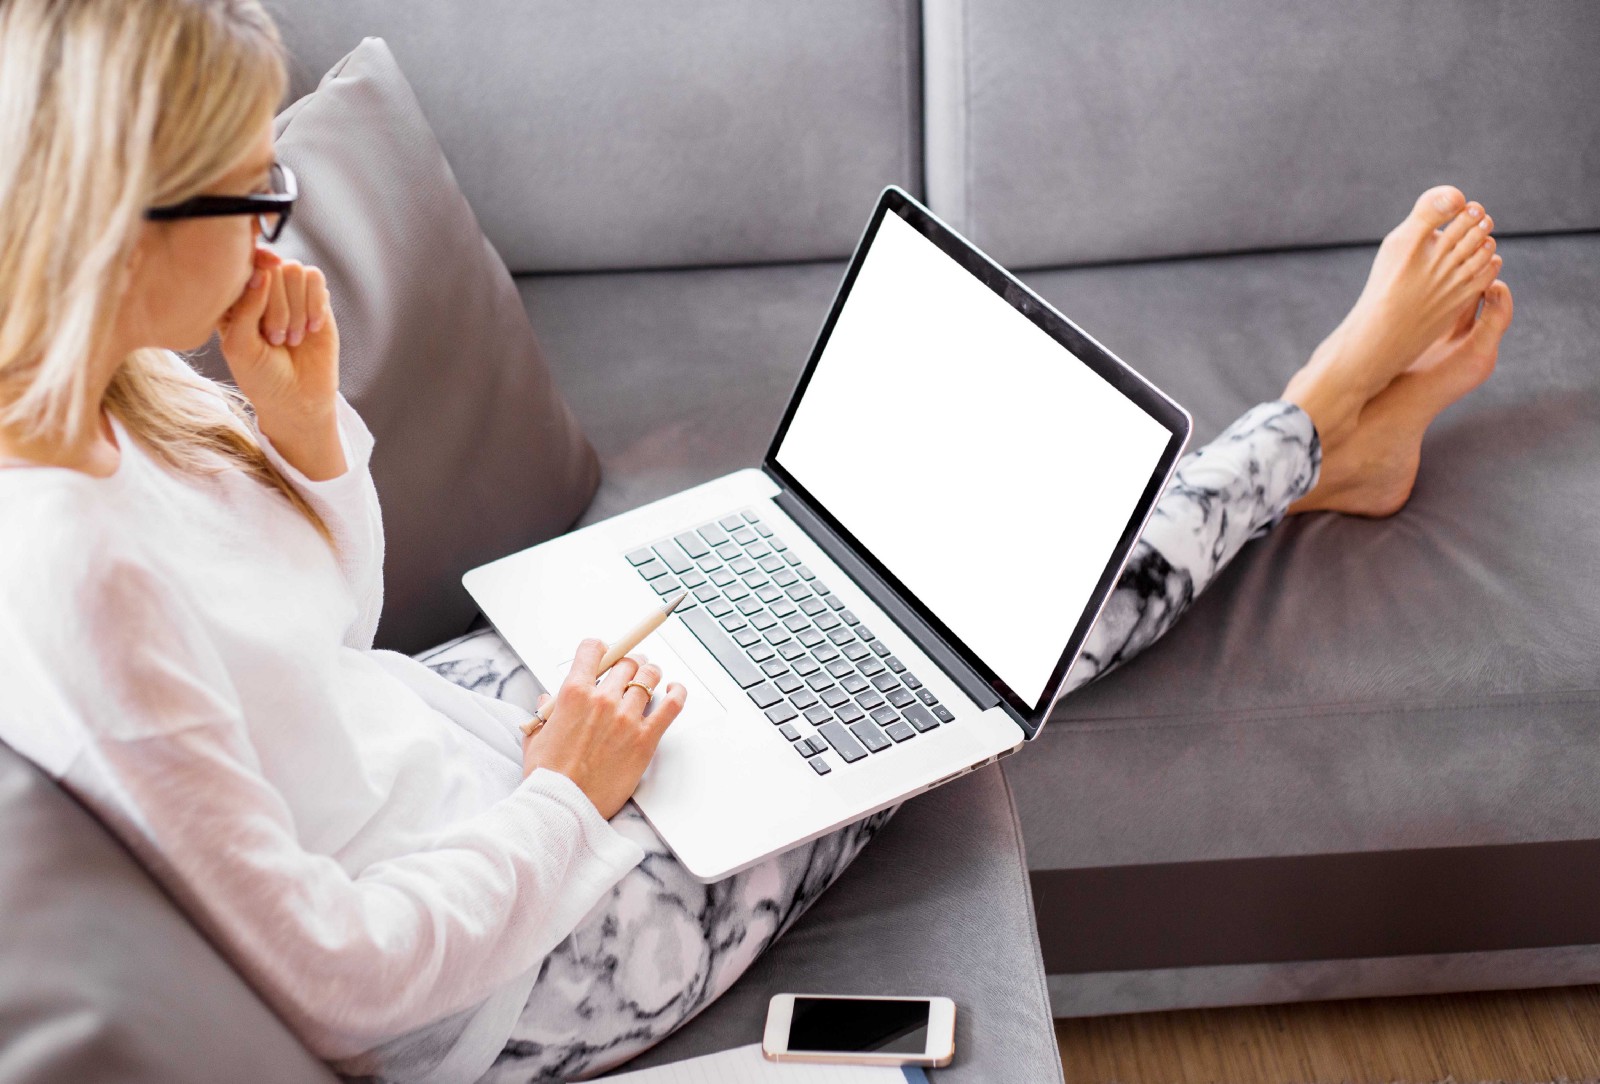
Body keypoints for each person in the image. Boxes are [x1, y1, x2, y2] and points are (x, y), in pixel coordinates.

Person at [0, 1, 1512, 1082]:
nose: (278, 223)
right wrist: (562, 796)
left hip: (466, 756)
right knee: (954, 629)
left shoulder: (101, 404)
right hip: (516, 968)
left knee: (815, 553)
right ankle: (1312, 430)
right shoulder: (72, 571)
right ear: (122, 219)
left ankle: (1306, 459)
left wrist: (310, 436)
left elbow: (312, 643)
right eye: (255, 185)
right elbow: (342, 983)